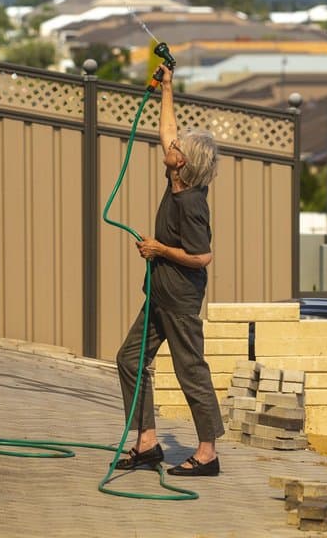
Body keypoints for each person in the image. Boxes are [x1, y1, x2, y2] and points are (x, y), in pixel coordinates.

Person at [114, 62, 224, 477]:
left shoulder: (191, 202)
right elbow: (167, 129)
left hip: (180, 297)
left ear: (183, 163)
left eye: (178, 147)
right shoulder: (174, 179)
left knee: (189, 369)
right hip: (159, 292)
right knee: (129, 359)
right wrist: (167, 87)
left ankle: (208, 452)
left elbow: (202, 257)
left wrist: (160, 248)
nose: (171, 144)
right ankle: (147, 442)